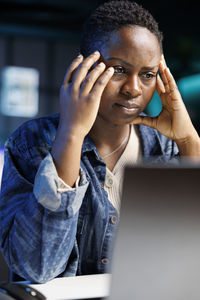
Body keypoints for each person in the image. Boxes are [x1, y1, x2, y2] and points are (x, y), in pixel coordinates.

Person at [0, 0, 200, 284]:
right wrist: (71, 133)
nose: (133, 89)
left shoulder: (164, 148)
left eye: (147, 75)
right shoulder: (32, 142)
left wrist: (189, 140)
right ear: (84, 67)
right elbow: (37, 268)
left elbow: (185, 261)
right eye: (119, 70)